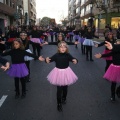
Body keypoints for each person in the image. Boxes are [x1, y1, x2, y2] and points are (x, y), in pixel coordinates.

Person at [45, 41, 78, 112]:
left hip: (66, 72)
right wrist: (46, 60)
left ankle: (64, 98)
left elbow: (73, 59)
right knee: (59, 89)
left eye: (64, 47)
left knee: (65, 88)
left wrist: (76, 60)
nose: (63, 48)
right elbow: (49, 60)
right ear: (58, 48)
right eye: (61, 47)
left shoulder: (67, 55)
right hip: (58, 73)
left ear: (66, 48)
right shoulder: (56, 55)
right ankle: (59, 104)